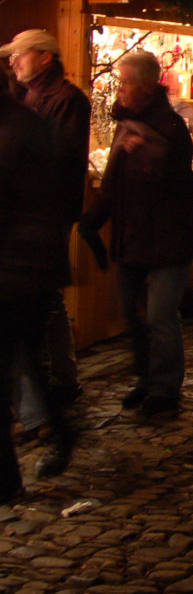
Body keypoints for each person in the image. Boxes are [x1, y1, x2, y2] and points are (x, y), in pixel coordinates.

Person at [79, 50, 193, 420]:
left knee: (160, 315)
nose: (120, 89)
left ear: (147, 86)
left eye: (126, 82)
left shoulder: (169, 127)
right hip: (133, 236)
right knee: (133, 313)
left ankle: (166, 387)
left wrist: (148, 153)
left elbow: (177, 178)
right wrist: (90, 222)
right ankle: (147, 379)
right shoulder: (126, 126)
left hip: (168, 238)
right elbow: (113, 185)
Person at [0, 29, 90, 408]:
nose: (13, 62)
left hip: (45, 216)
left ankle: (50, 394)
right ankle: (57, 385)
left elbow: (61, 163)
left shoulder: (65, 99)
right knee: (47, 300)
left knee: (44, 300)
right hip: (38, 219)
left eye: (20, 54)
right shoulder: (27, 98)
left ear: (46, 58)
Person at [0, 80, 76, 496]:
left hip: (16, 268)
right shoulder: (24, 123)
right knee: (27, 360)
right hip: (30, 266)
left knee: (18, 364)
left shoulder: (13, 131)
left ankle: (7, 480)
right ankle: (61, 432)